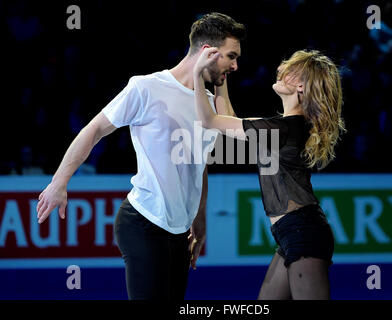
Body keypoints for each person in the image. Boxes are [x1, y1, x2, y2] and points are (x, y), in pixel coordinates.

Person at [36, 12, 246, 300]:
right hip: (144, 222)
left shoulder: (207, 105)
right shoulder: (147, 87)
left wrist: (200, 217)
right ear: (208, 52)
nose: (235, 65)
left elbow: (201, 161)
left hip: (180, 230)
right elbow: (94, 129)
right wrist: (59, 182)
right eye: (230, 57)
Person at [193, 48, 345, 299]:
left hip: (303, 233)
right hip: (290, 233)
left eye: (292, 71)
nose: (281, 69)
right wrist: (221, 77)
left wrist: (199, 71)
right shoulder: (283, 128)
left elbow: (209, 121)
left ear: (302, 87)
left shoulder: (283, 129)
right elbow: (227, 120)